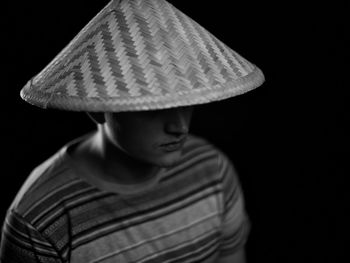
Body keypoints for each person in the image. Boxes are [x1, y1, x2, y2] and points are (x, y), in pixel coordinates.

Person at [0, 0, 264, 262]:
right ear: (96, 109)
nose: (180, 127)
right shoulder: (40, 218)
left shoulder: (211, 169)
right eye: (152, 109)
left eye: (186, 103)